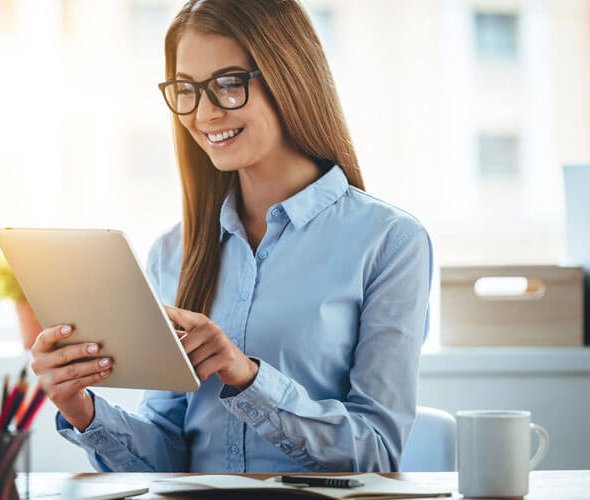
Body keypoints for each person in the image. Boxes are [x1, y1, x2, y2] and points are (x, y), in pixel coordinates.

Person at [31, 0, 432, 473]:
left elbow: (377, 451)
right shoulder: (173, 251)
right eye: (187, 90)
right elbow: (168, 455)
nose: (203, 114)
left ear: (290, 78)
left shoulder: (390, 242)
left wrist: (247, 377)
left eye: (227, 84)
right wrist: (81, 408)